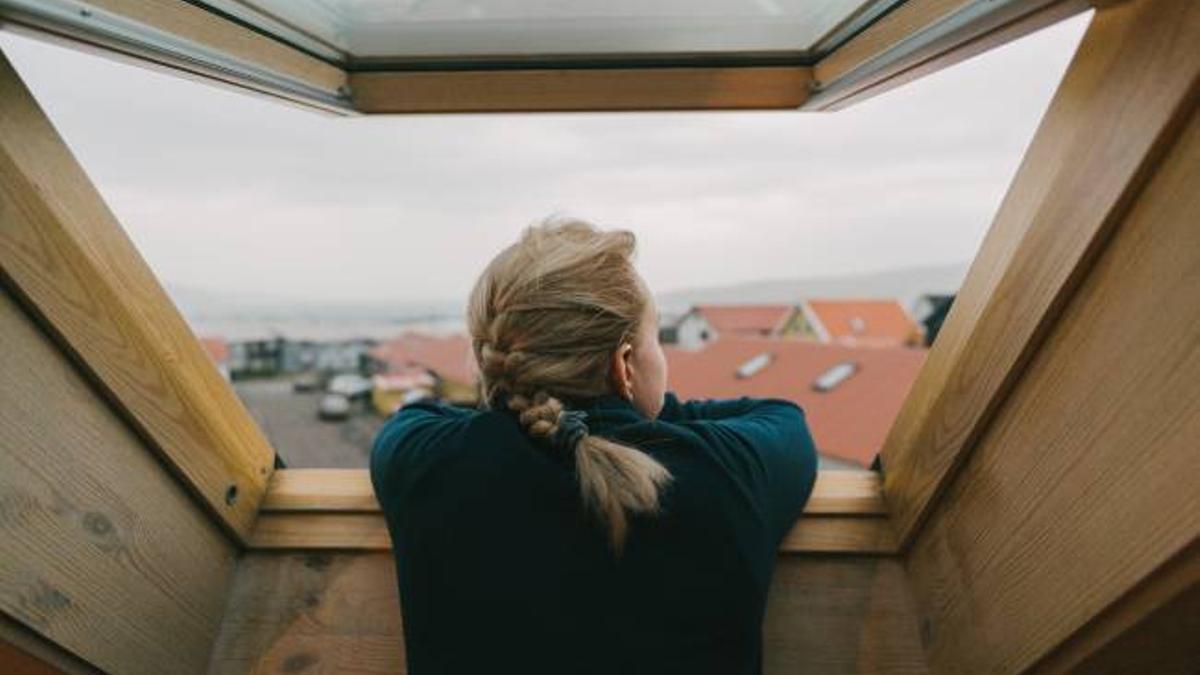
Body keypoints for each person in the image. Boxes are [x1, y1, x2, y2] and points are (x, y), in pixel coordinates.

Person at [370, 218, 818, 675]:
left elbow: (427, 415)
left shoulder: (424, 460)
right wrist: (641, 409)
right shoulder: (730, 469)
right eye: (655, 339)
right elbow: (781, 417)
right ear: (624, 365)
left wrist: (537, 401)